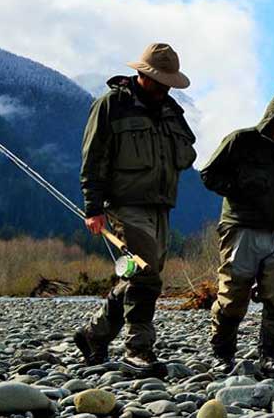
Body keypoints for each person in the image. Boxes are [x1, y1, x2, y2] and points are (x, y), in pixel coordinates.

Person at [73, 43, 197, 378]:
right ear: (142, 74)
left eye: (168, 83)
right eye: (159, 81)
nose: (164, 88)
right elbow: (93, 158)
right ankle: (137, 350)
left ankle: (93, 335)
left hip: (161, 205)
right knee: (145, 277)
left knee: (136, 275)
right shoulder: (111, 105)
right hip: (124, 205)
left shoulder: (172, 111)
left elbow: (188, 155)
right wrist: (93, 208)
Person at [200, 89, 274, 377]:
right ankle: (222, 355)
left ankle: (270, 357)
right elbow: (208, 174)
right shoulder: (241, 140)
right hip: (240, 230)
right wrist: (240, 188)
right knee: (232, 297)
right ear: (271, 118)